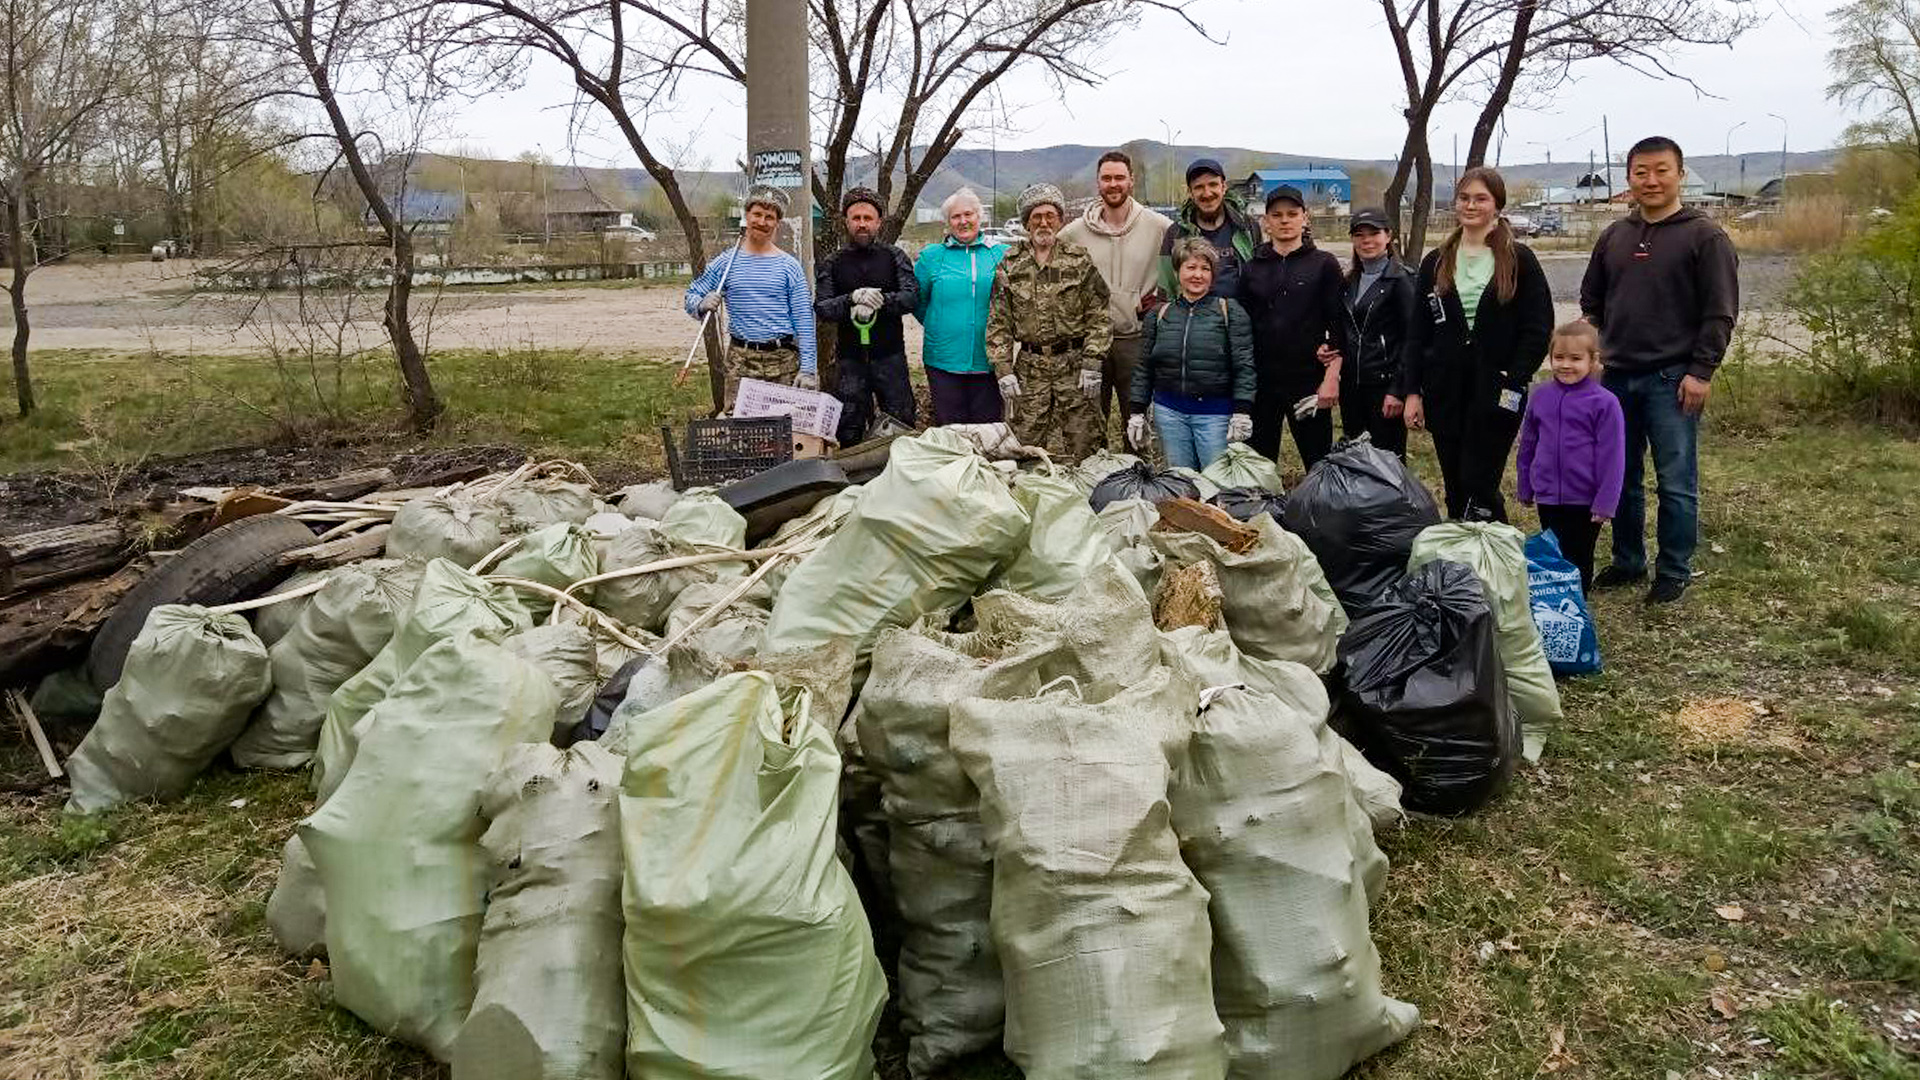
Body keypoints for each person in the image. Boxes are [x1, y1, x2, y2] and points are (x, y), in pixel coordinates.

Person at [1580, 135, 1739, 604]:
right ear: (1628, 178)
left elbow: (1720, 311)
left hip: (1673, 379)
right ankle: (1629, 560)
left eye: (1661, 170)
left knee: (1675, 480)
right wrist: (1591, 353)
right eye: (1641, 172)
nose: (1651, 180)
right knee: (1620, 476)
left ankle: (1673, 569)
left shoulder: (1704, 236)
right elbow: (1593, 300)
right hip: (1618, 378)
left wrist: (1702, 371)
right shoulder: (1616, 236)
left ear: (1680, 174)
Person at [1404, 166, 1554, 521]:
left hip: (1498, 388)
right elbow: (1417, 333)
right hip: (1445, 388)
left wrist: (1515, 375)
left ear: (1497, 205)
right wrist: (1413, 391)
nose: (1471, 205)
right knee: (1455, 481)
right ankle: (1463, 559)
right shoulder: (1436, 262)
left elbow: (1539, 325)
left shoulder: (1519, 259)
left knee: (1480, 479)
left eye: (1481, 198)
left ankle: (1495, 549)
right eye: (1465, 198)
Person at [985, 182, 1112, 461]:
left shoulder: (1078, 261)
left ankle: (1089, 496)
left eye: (1050, 216)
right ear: (1026, 223)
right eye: (1036, 217)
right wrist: (1003, 369)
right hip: (1030, 371)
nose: (1044, 222)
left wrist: (1093, 362)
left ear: (1060, 219)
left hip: (1075, 367)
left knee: (1086, 442)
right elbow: (999, 322)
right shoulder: (1010, 264)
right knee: (1022, 444)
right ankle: (1028, 497)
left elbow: (1099, 314)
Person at [1060, 150, 1173, 435]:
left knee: (1138, 427)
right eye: (1107, 178)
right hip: (1091, 344)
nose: (1113, 184)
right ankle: (1093, 475)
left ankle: (1139, 476)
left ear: (1131, 181)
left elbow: (1187, 268)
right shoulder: (1074, 233)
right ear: (1098, 183)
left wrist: (1163, 302)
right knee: (1089, 427)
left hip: (1136, 339)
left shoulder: (1159, 226)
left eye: (1119, 177)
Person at [1237, 184, 1349, 470]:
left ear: (1305, 217)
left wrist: (1331, 377)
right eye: (1276, 215)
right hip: (1263, 383)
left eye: (1292, 213)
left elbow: (1338, 323)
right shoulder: (1252, 268)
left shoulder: (1324, 264)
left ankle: (1319, 512)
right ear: (1266, 222)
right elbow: (1241, 327)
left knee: (1318, 461)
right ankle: (1264, 512)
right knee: (1259, 466)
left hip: (1307, 380)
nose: (1284, 220)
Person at [683, 185, 818, 410]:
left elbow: (804, 320)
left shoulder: (789, 266)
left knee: (785, 431)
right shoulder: (726, 263)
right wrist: (700, 303)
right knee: (742, 433)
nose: (762, 222)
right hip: (741, 364)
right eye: (757, 214)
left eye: (770, 217)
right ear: (746, 216)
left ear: (777, 223)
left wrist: (808, 369)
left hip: (783, 362)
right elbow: (692, 294)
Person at [1126, 238, 1255, 469]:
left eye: (1205, 269)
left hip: (1214, 416)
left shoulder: (1230, 312)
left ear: (1213, 276)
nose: (1198, 275)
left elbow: (1244, 366)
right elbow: (1144, 367)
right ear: (1177, 272)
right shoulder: (1159, 315)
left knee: (1216, 485)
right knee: (1181, 483)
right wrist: (1137, 412)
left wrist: (1242, 412)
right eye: (1191, 267)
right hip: (1170, 414)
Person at [1517, 321, 1626, 592]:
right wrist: (1525, 484)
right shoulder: (1540, 397)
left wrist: (1605, 502)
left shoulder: (1605, 403)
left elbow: (1613, 457)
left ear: (1593, 361)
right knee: (1553, 553)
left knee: (1578, 557)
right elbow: (1528, 444)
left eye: (1576, 358)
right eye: (1559, 357)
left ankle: (1577, 606)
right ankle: (1555, 607)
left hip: (1585, 500)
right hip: (1548, 496)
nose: (1566, 365)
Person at [814, 186, 918, 446]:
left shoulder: (894, 257)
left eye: (868, 218)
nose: (862, 224)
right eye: (856, 218)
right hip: (850, 362)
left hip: (890, 358)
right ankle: (852, 480)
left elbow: (912, 297)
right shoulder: (832, 262)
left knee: (900, 426)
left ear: (879, 222)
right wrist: (852, 298)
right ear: (846, 222)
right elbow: (823, 307)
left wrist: (880, 301)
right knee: (847, 429)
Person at [914, 186, 1008, 424]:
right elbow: (918, 301)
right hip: (943, 360)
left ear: (980, 217)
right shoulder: (932, 256)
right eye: (956, 216)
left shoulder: (1001, 254)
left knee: (987, 431)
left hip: (990, 359)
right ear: (948, 222)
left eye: (969, 214)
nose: (963, 221)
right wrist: (940, 325)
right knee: (951, 431)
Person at [1339, 207, 1417, 458]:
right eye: (1359, 234)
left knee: (1387, 463)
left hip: (1384, 388)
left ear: (1389, 236)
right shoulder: (1349, 281)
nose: (1366, 240)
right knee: (1357, 458)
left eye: (1374, 233)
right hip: (1352, 387)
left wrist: (1398, 389)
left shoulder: (1400, 281)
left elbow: (1412, 340)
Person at [1158, 158, 1261, 301]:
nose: (1207, 193)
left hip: (1240, 318)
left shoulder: (1247, 227)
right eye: (1199, 187)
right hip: (1193, 318)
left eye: (1213, 184)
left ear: (1223, 187)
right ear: (1190, 192)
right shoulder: (1176, 233)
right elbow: (1166, 286)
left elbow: (1261, 276)